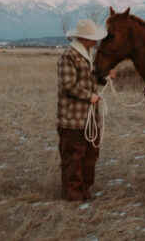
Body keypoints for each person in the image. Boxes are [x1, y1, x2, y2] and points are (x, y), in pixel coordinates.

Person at [57, 18, 114, 202]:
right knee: (74, 157)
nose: (95, 41)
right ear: (82, 38)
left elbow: (90, 80)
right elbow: (68, 85)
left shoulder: (87, 55)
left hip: (89, 118)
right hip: (73, 119)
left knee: (90, 155)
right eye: (92, 38)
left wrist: (105, 78)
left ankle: (85, 190)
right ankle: (72, 195)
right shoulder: (68, 56)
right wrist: (89, 96)